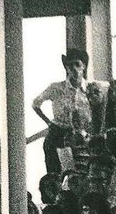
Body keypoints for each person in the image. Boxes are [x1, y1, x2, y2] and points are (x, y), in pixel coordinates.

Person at [32, 48, 102, 176]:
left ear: (84, 66)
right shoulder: (56, 88)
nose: (74, 69)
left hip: (83, 138)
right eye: (70, 65)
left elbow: (97, 113)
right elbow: (36, 104)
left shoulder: (91, 89)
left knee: (82, 174)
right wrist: (49, 122)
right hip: (59, 135)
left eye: (77, 64)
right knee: (59, 176)